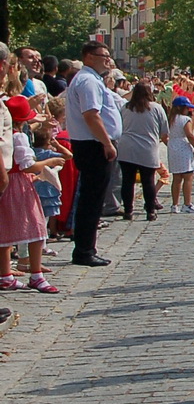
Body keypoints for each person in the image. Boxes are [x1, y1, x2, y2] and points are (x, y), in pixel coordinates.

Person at [64, 41, 122, 266]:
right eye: (103, 55)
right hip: (93, 145)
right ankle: (84, 250)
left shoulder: (91, 79)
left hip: (92, 143)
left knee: (93, 198)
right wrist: (107, 142)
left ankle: (87, 247)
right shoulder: (87, 80)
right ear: (89, 57)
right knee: (92, 199)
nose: (107, 59)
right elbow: (91, 115)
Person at [0, 96, 59, 294]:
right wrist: (50, 163)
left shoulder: (9, 135)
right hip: (19, 183)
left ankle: (5, 274)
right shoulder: (19, 137)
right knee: (35, 227)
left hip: (7, 181)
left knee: (6, 229)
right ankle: (36, 274)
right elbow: (28, 166)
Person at [117, 79, 168, 222]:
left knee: (127, 181)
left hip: (126, 147)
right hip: (147, 148)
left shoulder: (125, 107)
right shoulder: (156, 108)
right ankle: (150, 211)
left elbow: (119, 126)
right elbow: (164, 131)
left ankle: (128, 210)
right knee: (148, 181)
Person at [166, 96, 194, 213]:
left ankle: (174, 205)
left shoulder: (170, 119)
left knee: (176, 178)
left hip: (173, 146)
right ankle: (187, 203)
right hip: (183, 146)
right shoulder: (185, 119)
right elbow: (189, 134)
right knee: (188, 176)